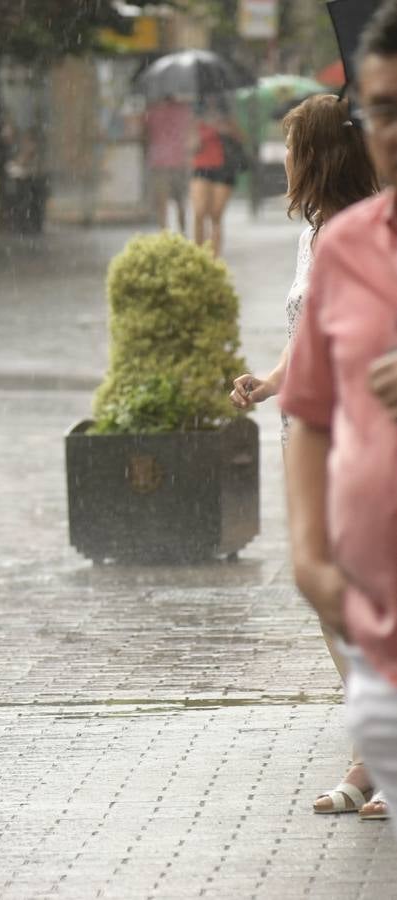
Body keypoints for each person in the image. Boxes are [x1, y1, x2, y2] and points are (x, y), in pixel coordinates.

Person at [229, 92, 382, 819]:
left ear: (316, 156)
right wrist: (268, 381)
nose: (283, 160)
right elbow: (306, 333)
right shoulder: (315, 233)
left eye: (292, 147)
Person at [281, 0, 397, 841]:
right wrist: (307, 548)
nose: (386, 131)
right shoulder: (346, 244)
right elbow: (310, 407)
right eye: (377, 111)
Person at [190, 95, 243, 256]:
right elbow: (190, 146)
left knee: (216, 214)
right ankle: (198, 254)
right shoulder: (196, 120)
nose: (211, 102)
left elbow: (241, 139)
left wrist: (223, 129)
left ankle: (214, 256)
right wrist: (201, 134)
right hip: (201, 167)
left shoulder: (228, 119)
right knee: (199, 212)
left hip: (224, 168)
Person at [144, 94, 192, 233]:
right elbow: (190, 135)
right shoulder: (185, 111)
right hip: (180, 160)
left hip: (159, 162)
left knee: (161, 203)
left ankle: (164, 235)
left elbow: (146, 134)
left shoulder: (152, 111)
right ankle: (183, 233)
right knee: (181, 201)